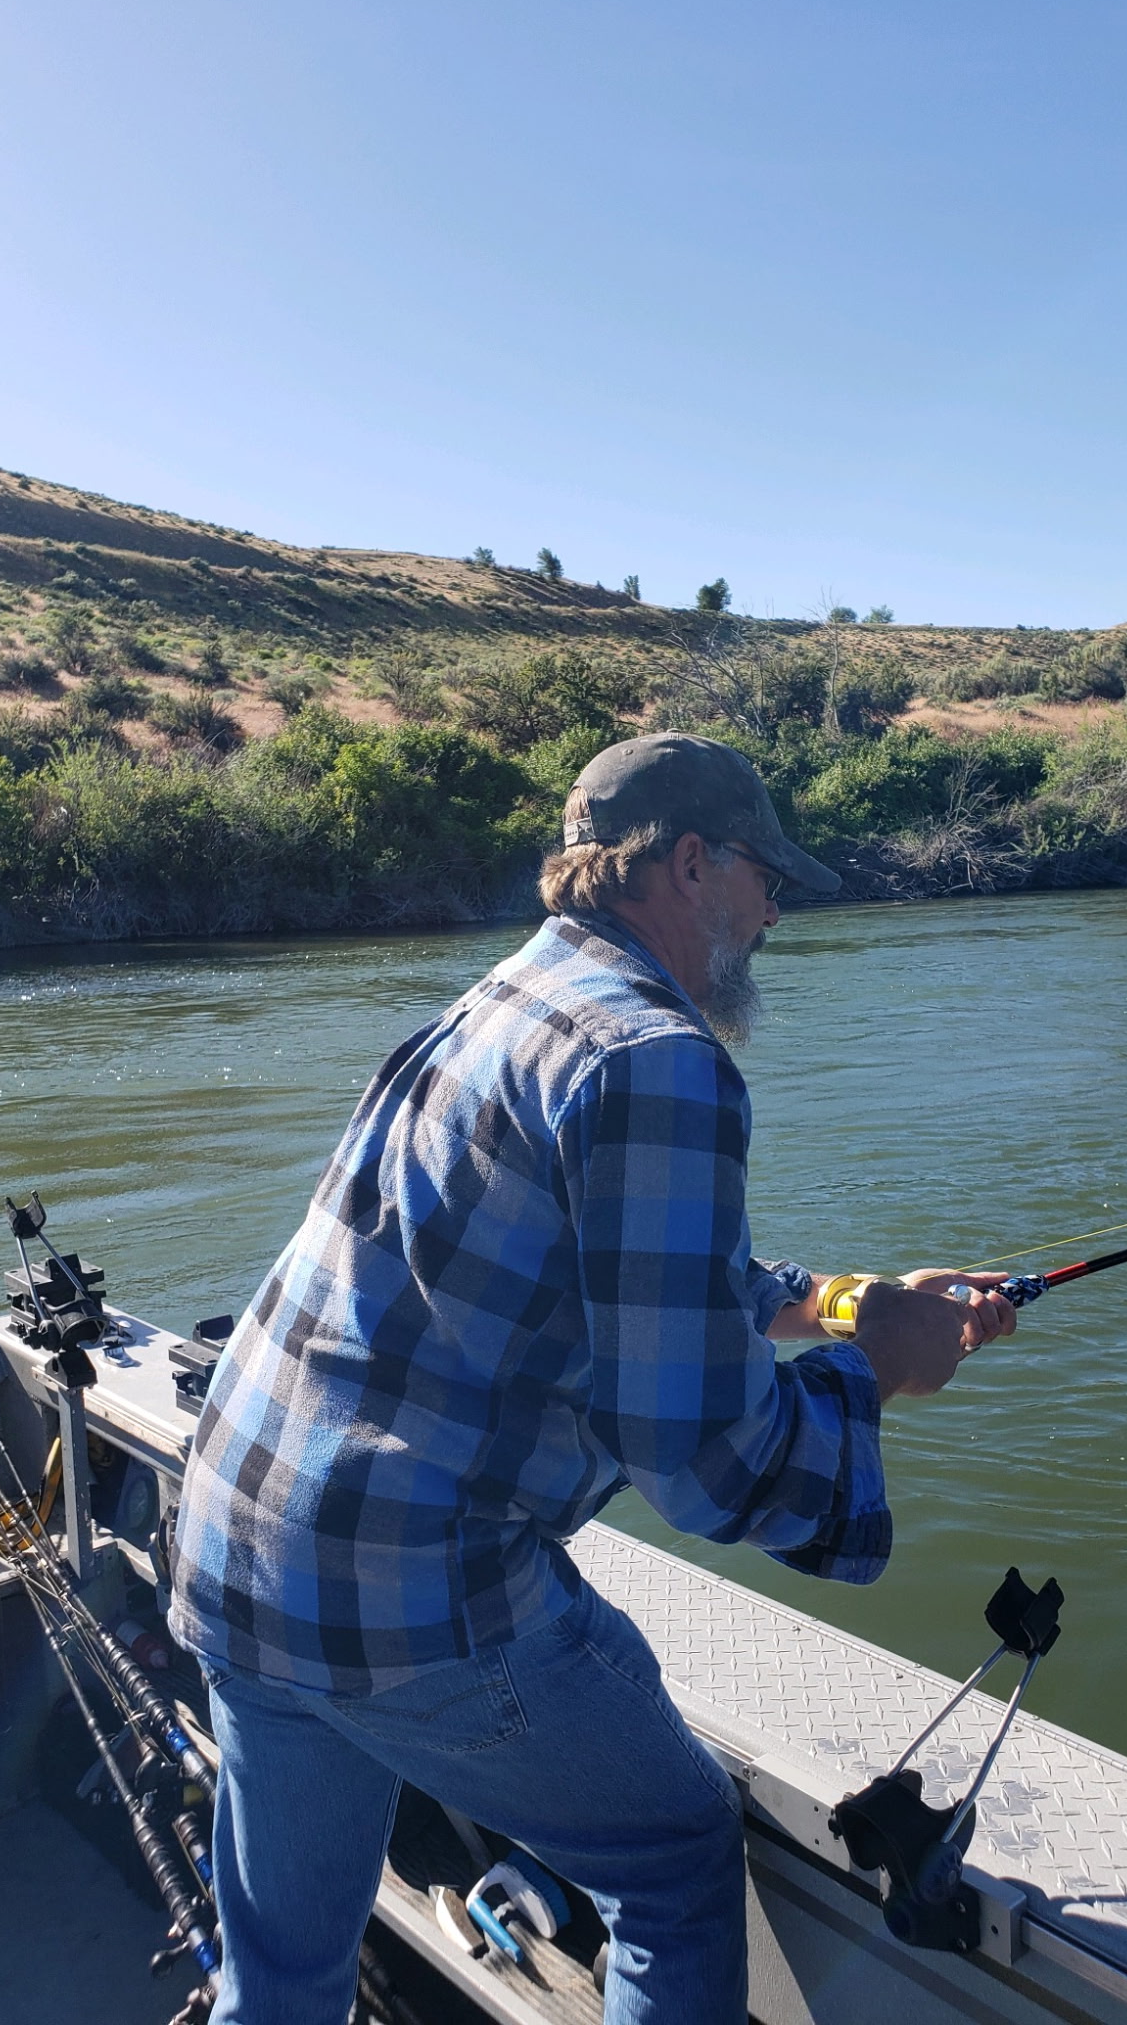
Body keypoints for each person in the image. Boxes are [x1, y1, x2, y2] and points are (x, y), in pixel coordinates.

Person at [169, 731, 1015, 2025]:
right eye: (767, 878)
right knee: (674, 1857)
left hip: (238, 1541)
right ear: (692, 865)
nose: (775, 913)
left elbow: (619, 1263)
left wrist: (840, 1302)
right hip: (406, 1593)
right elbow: (704, 1457)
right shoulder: (658, 1057)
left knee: (278, 1981)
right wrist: (877, 1371)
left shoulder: (509, 997)